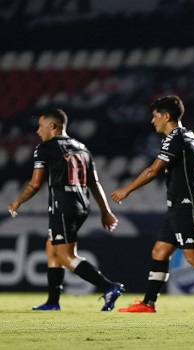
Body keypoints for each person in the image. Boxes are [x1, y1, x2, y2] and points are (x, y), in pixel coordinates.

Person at [111, 95, 194, 313]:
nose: (152, 121)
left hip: (184, 205)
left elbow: (153, 170)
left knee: (193, 256)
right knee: (160, 251)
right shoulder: (190, 137)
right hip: (180, 205)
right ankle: (148, 303)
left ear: (166, 116)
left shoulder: (176, 138)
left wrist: (127, 189)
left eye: (155, 116)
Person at [7, 109, 124, 311]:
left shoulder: (46, 148)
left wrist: (17, 201)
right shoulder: (82, 148)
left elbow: (35, 184)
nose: (37, 131)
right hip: (81, 205)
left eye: (41, 126)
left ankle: (108, 287)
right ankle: (53, 302)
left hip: (63, 206)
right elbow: (94, 184)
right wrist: (105, 211)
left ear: (52, 126)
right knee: (52, 247)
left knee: (66, 255)